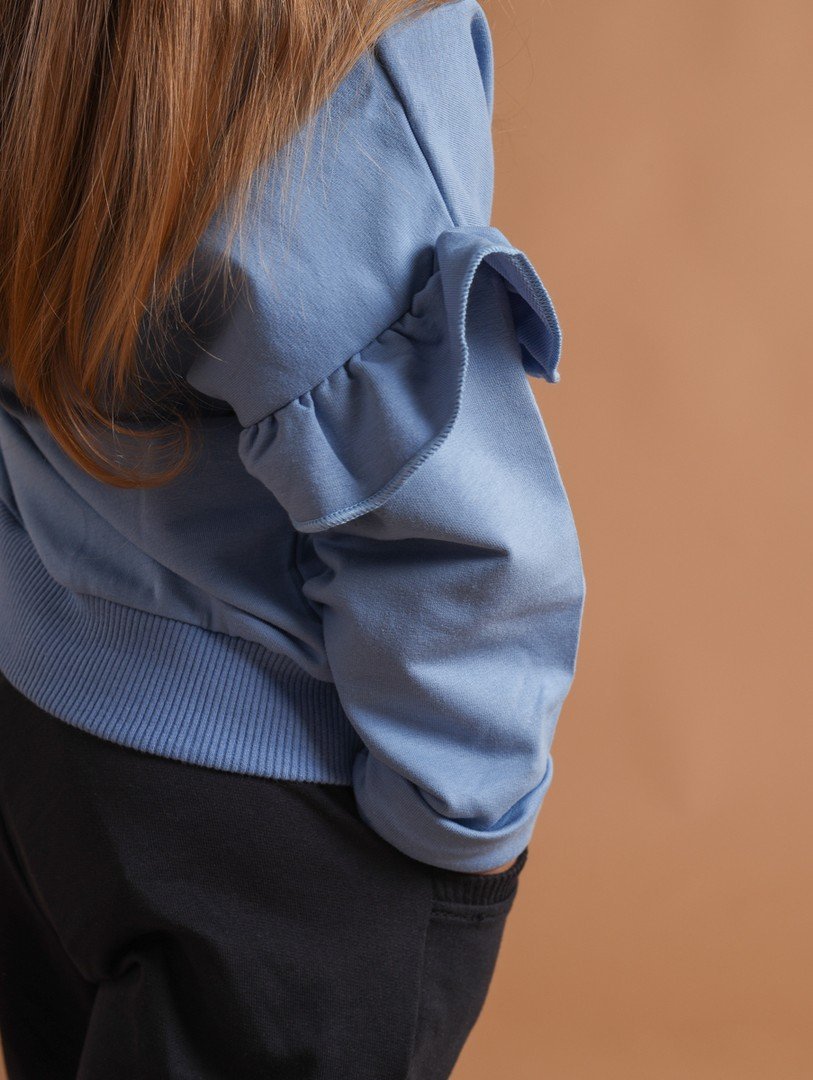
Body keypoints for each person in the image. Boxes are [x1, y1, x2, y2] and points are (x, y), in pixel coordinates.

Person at [0, 0, 586, 1076]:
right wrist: (464, 826)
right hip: (269, 823)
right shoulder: (329, 67)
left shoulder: (45, 43)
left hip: (47, 736)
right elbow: (450, 526)